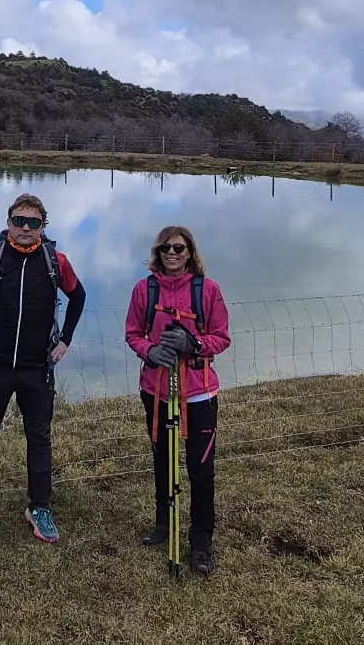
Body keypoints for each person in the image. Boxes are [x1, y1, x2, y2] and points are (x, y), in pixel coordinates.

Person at [0, 193, 86, 546]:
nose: (25, 228)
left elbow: (79, 296)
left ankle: (39, 507)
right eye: (18, 221)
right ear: (8, 221)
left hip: (36, 368)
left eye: (33, 223)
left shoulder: (56, 261)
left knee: (40, 438)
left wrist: (65, 340)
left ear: (44, 226)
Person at [123, 225, 232, 576]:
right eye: (166, 248)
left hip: (199, 392)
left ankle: (201, 543)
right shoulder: (145, 289)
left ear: (190, 252)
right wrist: (151, 351)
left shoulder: (207, 289)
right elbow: (133, 333)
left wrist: (194, 345)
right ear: (158, 252)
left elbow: (221, 337)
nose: (172, 254)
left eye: (179, 248)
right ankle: (163, 524)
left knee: (201, 469)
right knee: (163, 461)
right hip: (156, 389)